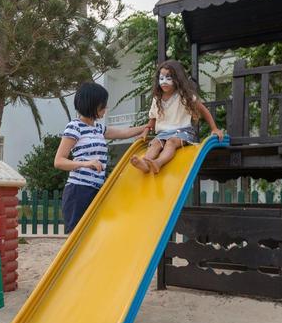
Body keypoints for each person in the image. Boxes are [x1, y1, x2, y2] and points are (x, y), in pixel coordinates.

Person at [54, 82, 150, 233]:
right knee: (77, 236)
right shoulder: (74, 127)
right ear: (92, 105)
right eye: (102, 105)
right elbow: (59, 161)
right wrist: (86, 163)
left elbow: (123, 133)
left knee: (94, 234)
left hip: (97, 189)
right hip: (78, 191)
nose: (106, 108)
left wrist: (148, 126)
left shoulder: (98, 128)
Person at [131, 60, 224, 174]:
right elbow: (153, 119)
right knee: (155, 143)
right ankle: (145, 163)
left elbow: (204, 110)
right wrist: (145, 131)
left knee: (171, 143)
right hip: (163, 134)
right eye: (161, 78)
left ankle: (158, 162)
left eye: (168, 78)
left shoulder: (184, 96)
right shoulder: (157, 98)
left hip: (183, 132)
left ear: (177, 79)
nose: (164, 82)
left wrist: (214, 128)